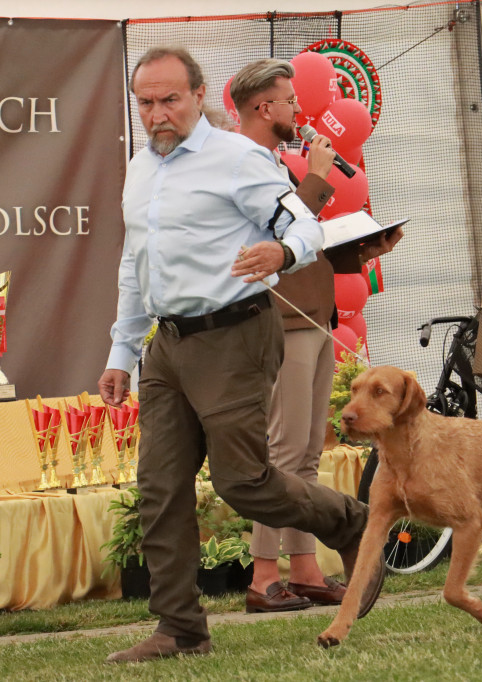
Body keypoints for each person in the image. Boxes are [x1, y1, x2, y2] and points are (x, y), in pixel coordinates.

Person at [97, 46, 385, 664]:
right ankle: (180, 630)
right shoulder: (138, 169)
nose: (157, 115)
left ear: (199, 96)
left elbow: (301, 226)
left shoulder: (239, 158)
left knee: (243, 481)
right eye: (145, 103)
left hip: (235, 334)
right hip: (167, 346)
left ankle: (351, 522)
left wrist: (282, 255)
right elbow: (134, 264)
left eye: (170, 99)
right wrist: (122, 350)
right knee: (160, 489)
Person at [229, 58, 403, 614]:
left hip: (313, 316)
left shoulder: (279, 161)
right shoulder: (238, 163)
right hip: (278, 321)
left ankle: (302, 567)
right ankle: (262, 575)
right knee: (280, 455)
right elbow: (270, 233)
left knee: (305, 452)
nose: (300, 110)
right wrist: (321, 177)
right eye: (289, 100)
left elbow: (301, 240)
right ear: (264, 108)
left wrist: (360, 248)